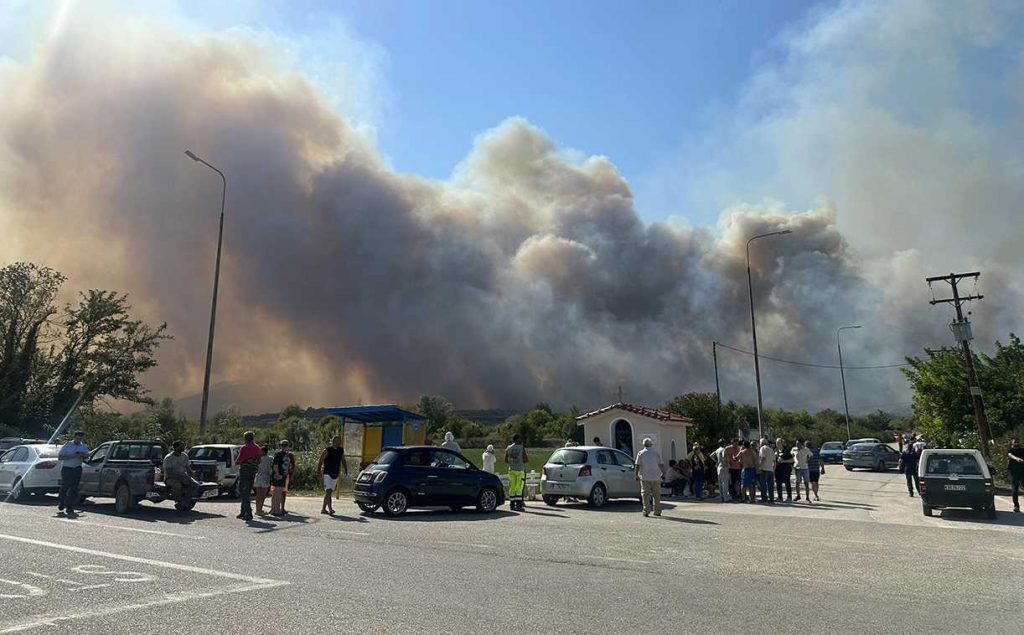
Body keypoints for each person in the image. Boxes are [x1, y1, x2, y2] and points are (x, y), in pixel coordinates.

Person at [57, 431, 89, 516]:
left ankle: (69, 506)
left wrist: (82, 455)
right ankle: (61, 501)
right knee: (65, 486)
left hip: (77, 468)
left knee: (74, 488)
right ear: (74, 437)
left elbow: (87, 456)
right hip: (67, 468)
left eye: (80, 438)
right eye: (77, 438)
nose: (78, 440)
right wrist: (72, 456)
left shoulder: (83, 446)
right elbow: (60, 457)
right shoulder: (68, 445)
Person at [234, 431, 262, 521]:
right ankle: (243, 512)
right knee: (247, 491)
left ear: (246, 439)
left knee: (244, 492)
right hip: (253, 472)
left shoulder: (244, 448)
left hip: (245, 472)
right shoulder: (257, 448)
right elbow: (259, 460)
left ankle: (248, 513)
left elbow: (238, 461)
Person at [317, 435, 348, 516]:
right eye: (335, 441)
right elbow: (320, 461)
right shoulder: (327, 450)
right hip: (327, 472)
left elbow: (343, 459)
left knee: (329, 492)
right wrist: (319, 472)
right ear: (332, 441)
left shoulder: (341, 450)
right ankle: (330, 508)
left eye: (339, 441)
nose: (337, 443)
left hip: (335, 473)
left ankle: (323, 509)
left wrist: (345, 469)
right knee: (328, 491)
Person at [634, 438, 665, 517]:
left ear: (644, 445)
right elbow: (661, 464)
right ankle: (657, 511)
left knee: (645, 495)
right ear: (651, 444)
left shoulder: (640, 453)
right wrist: (663, 473)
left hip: (645, 477)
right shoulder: (656, 453)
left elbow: (637, 465)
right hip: (656, 477)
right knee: (656, 495)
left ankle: (646, 510)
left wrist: (636, 475)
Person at [270, 440, 292, 517]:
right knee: (277, 493)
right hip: (278, 476)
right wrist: (277, 474)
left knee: (277, 493)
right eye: (283, 445)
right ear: (280, 446)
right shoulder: (278, 454)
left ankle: (274, 509)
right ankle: (276, 510)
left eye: (286, 445)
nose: (284, 446)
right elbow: (275, 464)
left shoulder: (286, 454)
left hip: (284, 476)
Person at [505, 435, 528, 511]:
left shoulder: (508, 448)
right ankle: (518, 505)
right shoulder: (521, 448)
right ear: (518, 439)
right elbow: (525, 459)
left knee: (512, 487)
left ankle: (512, 505)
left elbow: (506, 460)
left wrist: (512, 461)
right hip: (519, 470)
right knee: (519, 488)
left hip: (511, 470)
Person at [254, 445, 273, 516]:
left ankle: (257, 509)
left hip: (258, 476)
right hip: (265, 476)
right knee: (262, 495)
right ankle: (260, 509)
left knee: (258, 495)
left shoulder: (258, 458)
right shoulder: (270, 458)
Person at [1007, 438, 1024, 513]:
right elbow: (1010, 455)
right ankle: (1016, 506)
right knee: (1015, 488)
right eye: (1014, 442)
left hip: (1022, 471)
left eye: (1017, 442)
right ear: (1012, 443)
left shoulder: (1022, 450)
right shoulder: (1010, 450)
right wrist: (1017, 459)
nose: (1016, 443)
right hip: (1014, 472)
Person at [757, 438, 776, 503]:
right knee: (770, 485)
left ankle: (764, 499)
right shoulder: (771, 449)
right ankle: (771, 499)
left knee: (763, 485)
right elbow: (774, 461)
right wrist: (773, 469)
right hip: (770, 469)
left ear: (761, 443)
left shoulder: (762, 448)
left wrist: (759, 466)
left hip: (764, 469)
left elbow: (763, 457)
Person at [725, 438, 742, 503]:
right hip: (731, 468)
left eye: (737, 443)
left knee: (739, 482)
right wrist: (728, 462)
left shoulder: (739, 448)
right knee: (732, 482)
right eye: (735, 443)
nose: (736, 444)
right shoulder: (727, 449)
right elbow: (726, 457)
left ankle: (739, 494)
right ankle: (733, 495)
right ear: (732, 443)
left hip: (738, 467)